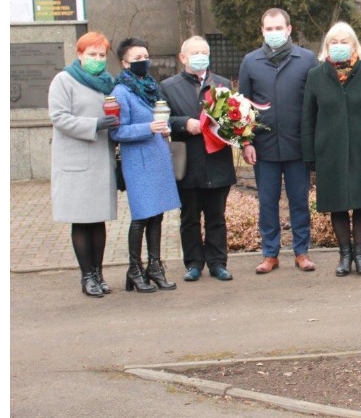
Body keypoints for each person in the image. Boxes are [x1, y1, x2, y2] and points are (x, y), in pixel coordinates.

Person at [302, 22, 361, 278]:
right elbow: (308, 117)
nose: (339, 47)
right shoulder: (316, 76)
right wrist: (310, 154)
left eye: (344, 42)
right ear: (326, 47)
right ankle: (344, 256)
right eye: (334, 43)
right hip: (330, 151)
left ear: (354, 45)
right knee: (337, 204)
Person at [239, 8, 319, 274]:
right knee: (267, 202)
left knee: (299, 201)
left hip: (298, 145)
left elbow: (315, 103)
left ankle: (301, 252)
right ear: (262, 31)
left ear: (289, 29)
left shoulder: (307, 59)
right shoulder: (250, 62)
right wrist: (246, 142)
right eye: (268, 29)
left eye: (278, 28)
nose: (274, 33)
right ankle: (270, 254)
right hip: (264, 147)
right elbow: (242, 108)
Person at [48, 32, 119, 297]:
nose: (97, 60)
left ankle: (99, 273)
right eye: (92, 54)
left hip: (101, 159)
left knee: (98, 220)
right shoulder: (64, 80)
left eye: (101, 55)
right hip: (76, 161)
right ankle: (86, 276)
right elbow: (59, 117)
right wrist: (94, 124)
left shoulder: (108, 83)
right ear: (79, 54)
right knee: (81, 221)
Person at [160, 36, 236, 282]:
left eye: (204, 51)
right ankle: (193, 263)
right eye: (195, 52)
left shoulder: (222, 84)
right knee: (189, 217)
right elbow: (163, 120)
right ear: (183, 58)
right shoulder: (168, 86)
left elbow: (234, 118)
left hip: (217, 162)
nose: (201, 56)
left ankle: (217, 263)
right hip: (188, 162)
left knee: (216, 217)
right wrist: (184, 123)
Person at [109, 37, 181, 293]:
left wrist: (165, 126)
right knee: (141, 216)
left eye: (145, 57)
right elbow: (117, 132)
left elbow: (163, 116)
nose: (143, 61)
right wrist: (148, 127)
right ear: (124, 63)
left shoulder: (150, 86)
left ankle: (155, 266)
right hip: (137, 160)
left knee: (157, 216)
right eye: (137, 58)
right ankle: (134, 268)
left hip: (158, 156)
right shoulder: (120, 92)